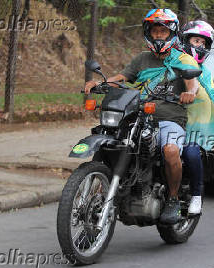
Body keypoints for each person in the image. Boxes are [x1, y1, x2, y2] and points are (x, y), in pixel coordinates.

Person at [84, 8, 201, 224]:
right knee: (115, 141)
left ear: (171, 33)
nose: (158, 35)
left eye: (162, 32)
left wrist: (189, 93)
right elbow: (121, 77)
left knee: (171, 150)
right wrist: (100, 83)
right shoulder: (142, 59)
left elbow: (192, 84)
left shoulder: (183, 60)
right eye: (154, 31)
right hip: (140, 115)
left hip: (170, 119)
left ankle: (173, 199)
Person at [179, 20, 214, 215]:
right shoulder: (172, 64)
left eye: (203, 43)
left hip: (194, 126)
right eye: (196, 41)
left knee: (190, 152)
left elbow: (209, 99)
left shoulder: (206, 74)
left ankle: (196, 194)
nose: (199, 46)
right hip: (167, 118)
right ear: (185, 41)